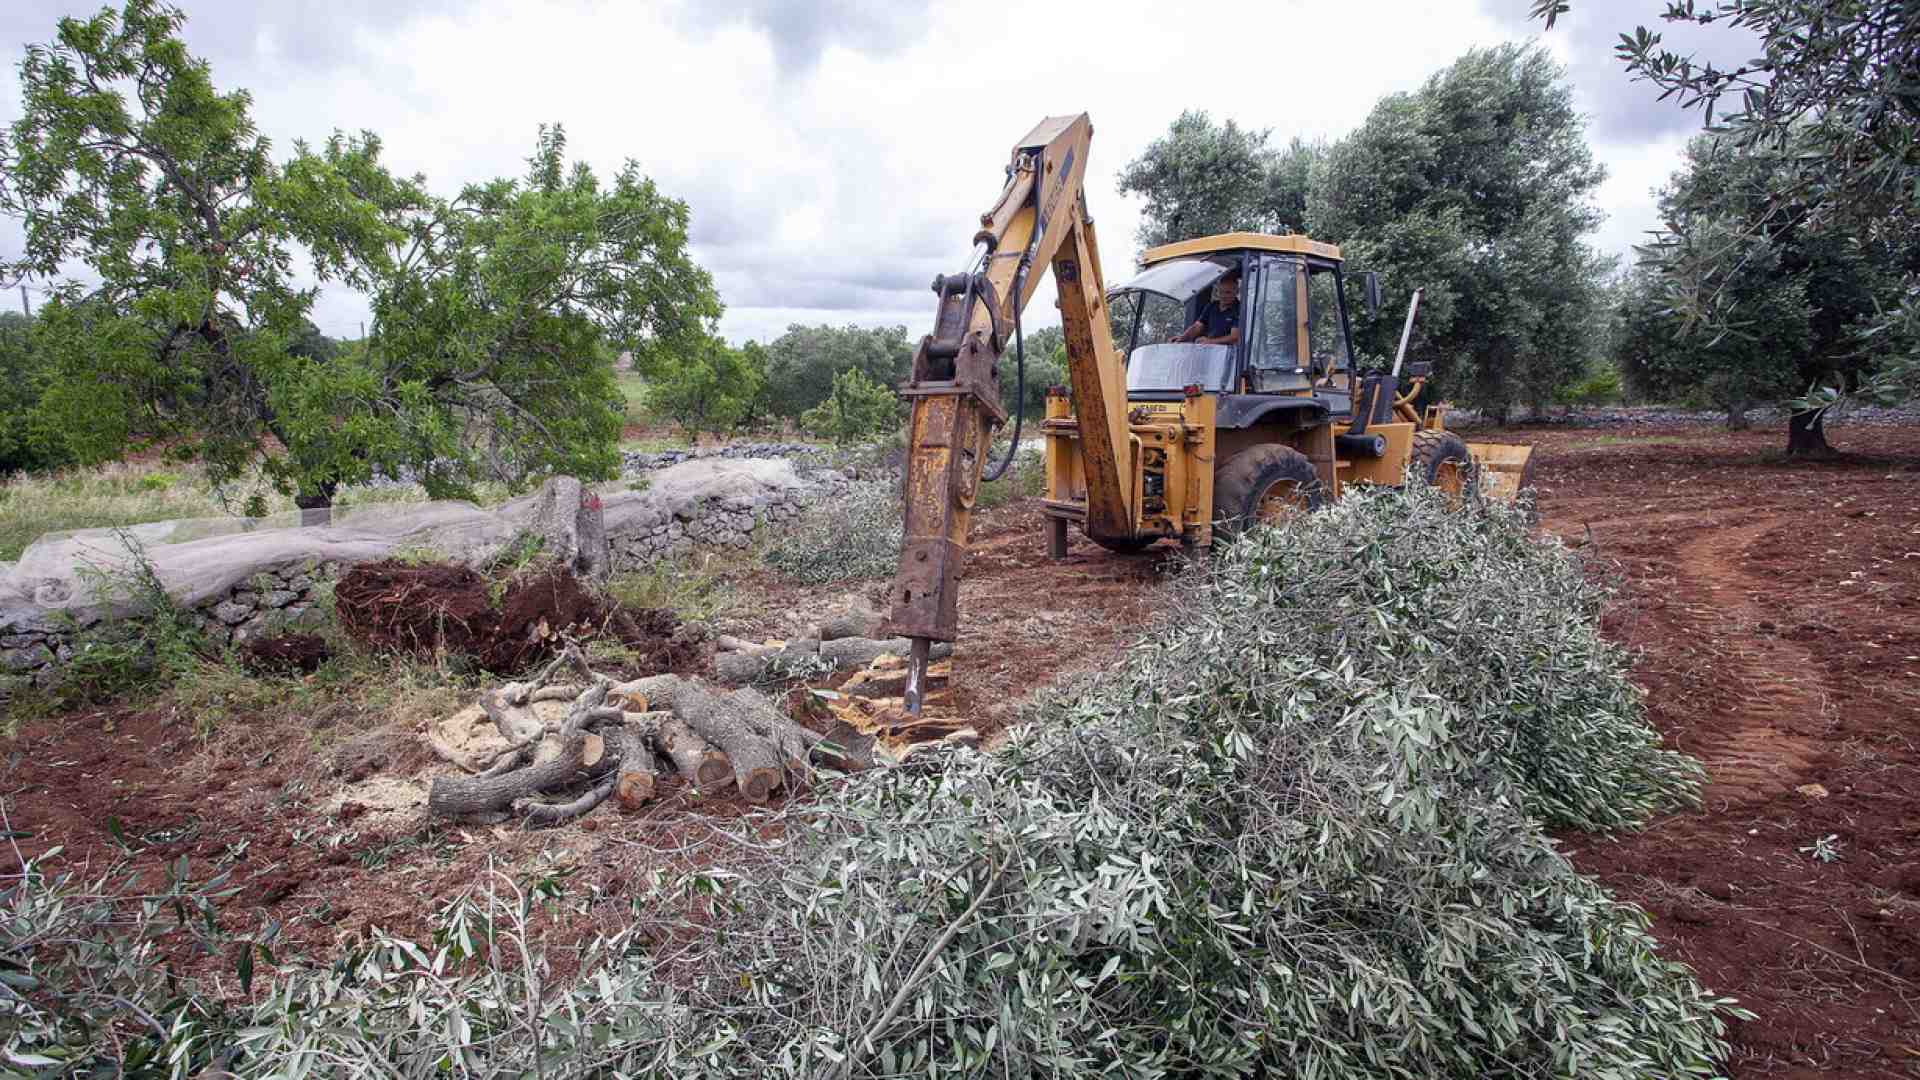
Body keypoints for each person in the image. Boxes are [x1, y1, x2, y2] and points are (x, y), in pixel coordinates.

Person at [1172, 268, 1241, 346]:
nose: (1223, 296)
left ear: (1237, 292)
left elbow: (1235, 337)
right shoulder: (1212, 306)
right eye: (1221, 292)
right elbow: (1197, 327)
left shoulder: (1240, 309)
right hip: (1209, 352)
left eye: (1228, 292)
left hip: (1228, 354)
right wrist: (1182, 338)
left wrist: (1210, 341)